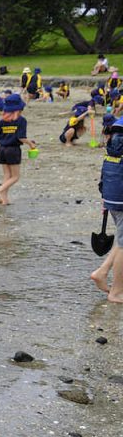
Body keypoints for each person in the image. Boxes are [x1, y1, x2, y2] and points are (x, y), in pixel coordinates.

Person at [91, 116, 123, 302]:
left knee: (121, 238)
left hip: (112, 189)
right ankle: (117, 292)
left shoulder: (118, 125)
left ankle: (102, 273)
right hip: (119, 193)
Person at [0, 94, 37, 205]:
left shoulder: (2, 121)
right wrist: (30, 144)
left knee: (7, 175)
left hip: (2, 149)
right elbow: (21, 137)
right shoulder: (21, 120)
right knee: (15, 176)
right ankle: (0, 190)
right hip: (13, 150)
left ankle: (4, 199)